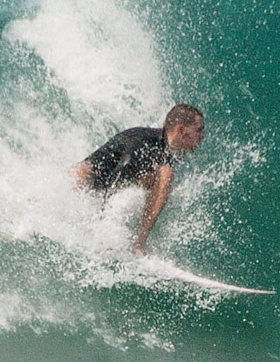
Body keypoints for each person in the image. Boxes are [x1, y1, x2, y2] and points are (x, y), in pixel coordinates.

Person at [70, 104, 205, 256]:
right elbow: (116, 180)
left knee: (162, 175)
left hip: (109, 184)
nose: (202, 136)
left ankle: (138, 243)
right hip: (92, 179)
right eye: (199, 130)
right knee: (80, 172)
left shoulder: (171, 148)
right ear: (181, 130)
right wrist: (103, 229)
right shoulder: (145, 144)